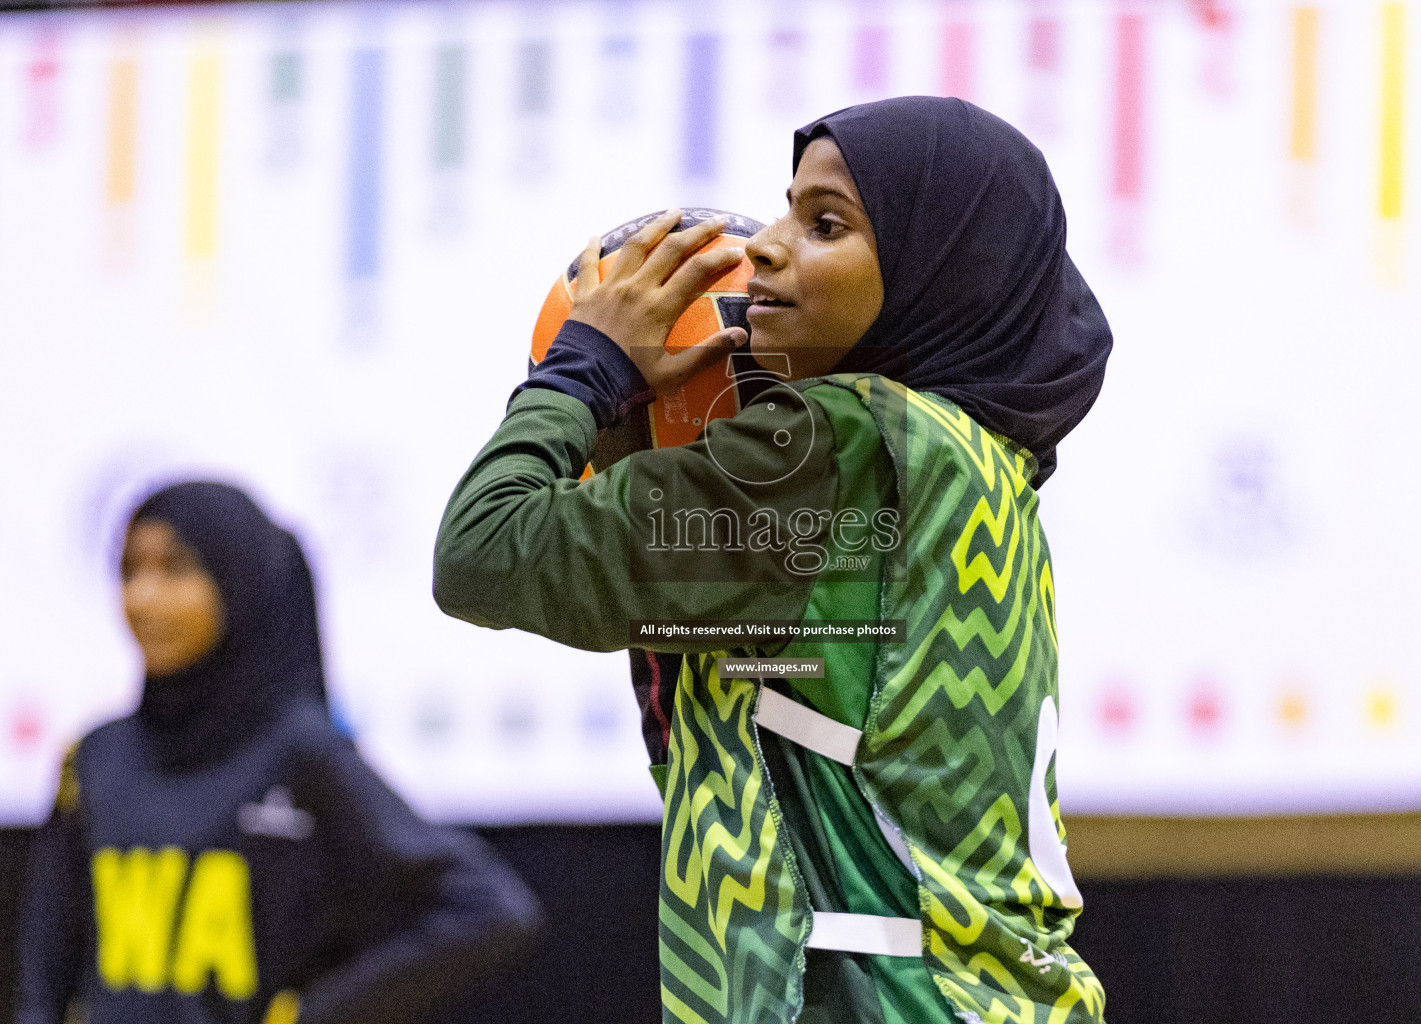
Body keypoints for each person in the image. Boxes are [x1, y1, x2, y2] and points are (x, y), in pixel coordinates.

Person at [434, 96, 1113, 1024]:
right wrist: (646, 446)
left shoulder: (831, 446)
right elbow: (725, 740)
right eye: (786, 207)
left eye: (825, 224)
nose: (766, 245)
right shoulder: (978, 463)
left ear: (936, 264)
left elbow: (482, 551)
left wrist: (581, 370)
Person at [18, 481, 541, 1024]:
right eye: (130, 570)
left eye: (174, 569)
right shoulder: (94, 757)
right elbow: (46, 959)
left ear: (237, 581)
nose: (142, 598)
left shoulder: (300, 751)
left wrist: (316, 1012)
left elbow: (490, 907)